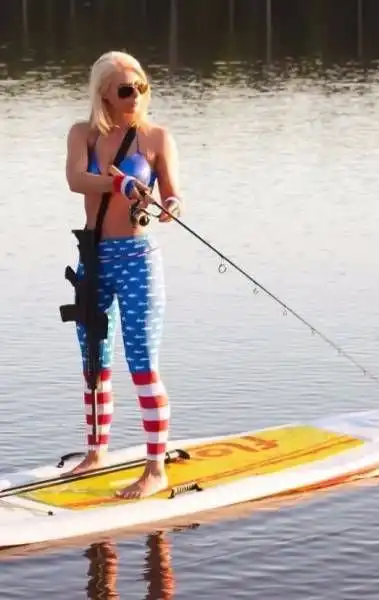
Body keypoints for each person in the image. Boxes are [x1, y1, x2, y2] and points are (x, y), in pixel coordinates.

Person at [65, 50, 182, 499]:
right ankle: (97, 452)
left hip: (138, 259)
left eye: (141, 87)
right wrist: (117, 183)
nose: (136, 96)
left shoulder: (156, 137)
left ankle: (155, 469)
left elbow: (173, 195)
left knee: (143, 364)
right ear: (104, 95)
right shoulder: (83, 134)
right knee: (94, 363)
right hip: (93, 258)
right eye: (126, 89)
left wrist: (169, 206)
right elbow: (77, 179)